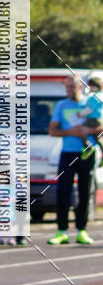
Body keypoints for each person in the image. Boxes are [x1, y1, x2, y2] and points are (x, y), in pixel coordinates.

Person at [48, 75, 102, 245]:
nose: (68, 90)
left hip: (87, 152)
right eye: (66, 87)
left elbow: (101, 124)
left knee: (85, 191)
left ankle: (82, 230)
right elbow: (53, 131)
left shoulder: (91, 102)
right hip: (67, 153)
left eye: (71, 87)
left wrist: (86, 130)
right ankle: (61, 230)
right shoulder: (61, 105)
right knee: (63, 191)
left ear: (80, 87)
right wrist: (72, 132)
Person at [77, 72, 103, 160]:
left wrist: (80, 114)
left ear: (95, 86)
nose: (89, 88)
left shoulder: (94, 97)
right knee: (99, 138)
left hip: (93, 119)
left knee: (80, 129)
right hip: (100, 120)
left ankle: (87, 146)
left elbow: (89, 110)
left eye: (90, 86)